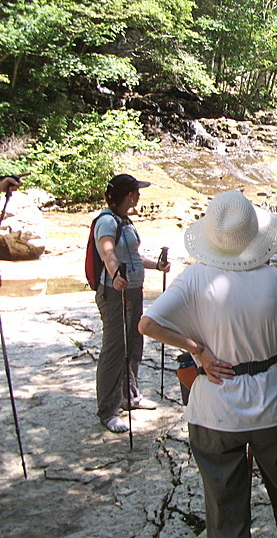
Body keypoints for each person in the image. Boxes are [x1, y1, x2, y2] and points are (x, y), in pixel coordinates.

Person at [139, 189, 277, 538]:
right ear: (254, 236)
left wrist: (199, 351)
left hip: (215, 410)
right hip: (270, 407)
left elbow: (148, 324)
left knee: (225, 510)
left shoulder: (195, 278)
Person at [95, 173, 170, 433]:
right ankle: (108, 410)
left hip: (133, 292)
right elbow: (107, 252)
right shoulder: (106, 222)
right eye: (137, 191)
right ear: (130, 195)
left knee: (134, 344)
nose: (139, 195)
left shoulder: (125, 221)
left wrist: (156, 265)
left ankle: (130, 396)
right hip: (115, 293)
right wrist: (115, 275)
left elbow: (134, 256)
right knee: (115, 349)